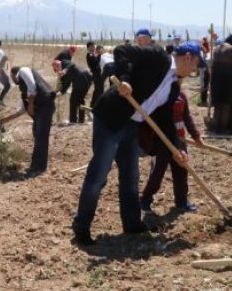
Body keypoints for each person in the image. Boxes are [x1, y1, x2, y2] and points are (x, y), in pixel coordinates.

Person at [71, 41, 205, 245]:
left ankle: (132, 224)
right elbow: (122, 51)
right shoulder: (157, 56)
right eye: (195, 64)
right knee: (99, 174)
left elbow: (165, 120)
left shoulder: (173, 88)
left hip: (131, 127)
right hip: (110, 119)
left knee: (131, 176)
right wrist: (125, 79)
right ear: (188, 57)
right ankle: (81, 228)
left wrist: (177, 147)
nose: (195, 70)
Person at [140, 81, 204, 214]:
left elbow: (187, 117)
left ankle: (181, 201)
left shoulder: (181, 96)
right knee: (157, 173)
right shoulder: (159, 98)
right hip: (161, 142)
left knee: (181, 171)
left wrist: (196, 135)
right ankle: (145, 200)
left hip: (180, 142)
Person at [2, 66, 56, 177]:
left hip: (45, 105)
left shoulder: (23, 70)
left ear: (13, 74)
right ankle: (35, 165)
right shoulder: (23, 90)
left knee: (41, 137)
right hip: (41, 108)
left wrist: (31, 104)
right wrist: (3, 120)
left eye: (11, 77)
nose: (12, 80)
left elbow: (32, 86)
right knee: (37, 135)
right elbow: (21, 111)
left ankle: (39, 168)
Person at [211, 32, 232, 133]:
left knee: (217, 106)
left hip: (215, 80)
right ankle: (223, 129)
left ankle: (216, 129)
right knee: (226, 106)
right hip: (227, 80)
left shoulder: (216, 48)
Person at [53, 59, 92, 123]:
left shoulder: (64, 62)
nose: (57, 72)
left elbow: (72, 64)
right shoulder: (64, 74)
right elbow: (66, 85)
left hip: (82, 77)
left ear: (57, 66)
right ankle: (81, 120)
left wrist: (64, 71)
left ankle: (73, 121)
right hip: (86, 78)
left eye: (56, 70)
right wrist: (60, 93)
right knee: (80, 99)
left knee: (73, 100)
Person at [86, 41, 103, 107]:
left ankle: (96, 104)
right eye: (92, 46)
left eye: (94, 46)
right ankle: (93, 104)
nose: (94, 47)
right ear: (89, 47)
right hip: (95, 74)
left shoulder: (92, 54)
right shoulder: (90, 55)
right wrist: (99, 54)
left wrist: (98, 54)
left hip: (97, 74)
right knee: (98, 90)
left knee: (100, 89)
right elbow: (95, 63)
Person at [198, 37, 212, 106]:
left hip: (208, 71)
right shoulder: (202, 53)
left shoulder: (209, 54)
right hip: (204, 70)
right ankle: (203, 101)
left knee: (208, 86)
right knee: (204, 85)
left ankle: (210, 101)